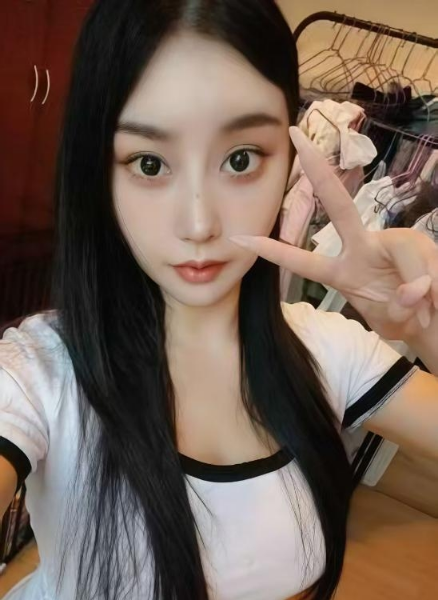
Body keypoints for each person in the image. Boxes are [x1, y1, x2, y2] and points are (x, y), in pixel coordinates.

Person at [0, 1, 437, 599]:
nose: (199, 224)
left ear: (289, 159)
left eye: (240, 159)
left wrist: (426, 332)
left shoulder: (329, 350)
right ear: (98, 174)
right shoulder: (39, 371)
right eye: (149, 163)